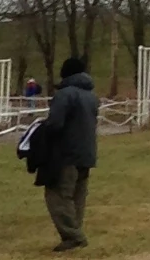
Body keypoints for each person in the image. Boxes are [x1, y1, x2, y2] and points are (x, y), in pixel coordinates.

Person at [27, 53, 100, 249]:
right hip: (86, 153)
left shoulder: (65, 94)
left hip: (66, 154)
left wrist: (42, 130)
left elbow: (56, 125)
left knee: (58, 196)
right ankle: (74, 233)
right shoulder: (91, 96)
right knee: (77, 195)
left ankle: (73, 236)